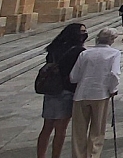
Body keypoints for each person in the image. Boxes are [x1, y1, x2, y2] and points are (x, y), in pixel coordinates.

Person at [69, 28, 120, 158]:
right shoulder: (114, 53)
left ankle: (78, 155)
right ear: (112, 40)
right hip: (100, 94)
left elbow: (73, 76)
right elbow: (114, 74)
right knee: (97, 130)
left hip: (81, 94)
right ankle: (92, 155)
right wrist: (113, 89)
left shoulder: (85, 53)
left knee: (78, 131)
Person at [37, 24, 86, 158]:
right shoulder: (78, 51)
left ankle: (40, 155)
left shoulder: (53, 48)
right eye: (82, 31)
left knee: (47, 127)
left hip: (51, 89)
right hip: (66, 90)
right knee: (61, 129)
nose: (84, 34)